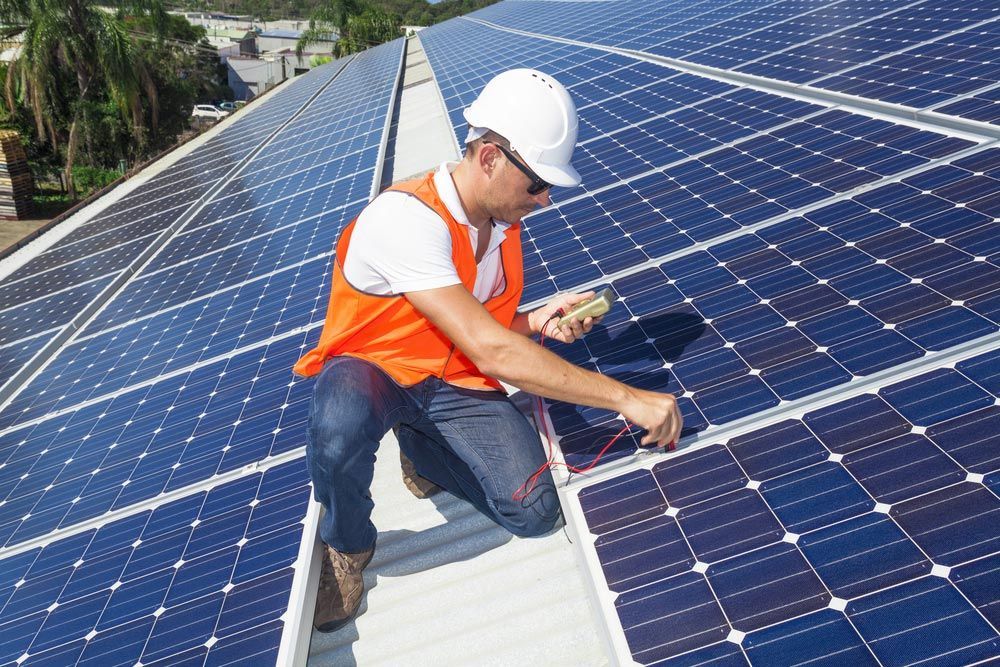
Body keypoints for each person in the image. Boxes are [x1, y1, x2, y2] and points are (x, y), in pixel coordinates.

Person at [294, 68, 683, 632]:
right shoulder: (406, 220)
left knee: (535, 513)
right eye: (537, 185)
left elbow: (486, 325)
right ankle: (348, 544)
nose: (545, 201)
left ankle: (421, 447)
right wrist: (626, 399)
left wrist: (537, 321)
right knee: (339, 423)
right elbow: (493, 350)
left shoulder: (500, 227)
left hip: (452, 381)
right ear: (490, 157)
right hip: (374, 373)